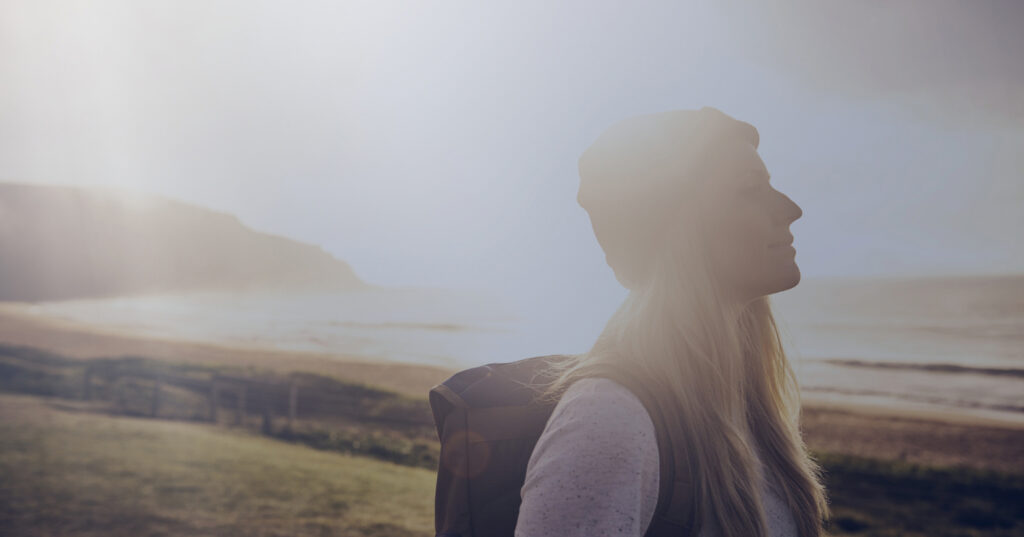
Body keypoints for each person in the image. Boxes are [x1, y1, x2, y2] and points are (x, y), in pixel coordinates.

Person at [513, 107, 830, 537]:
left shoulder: (744, 411)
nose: (790, 209)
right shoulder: (609, 419)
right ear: (678, 225)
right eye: (752, 189)